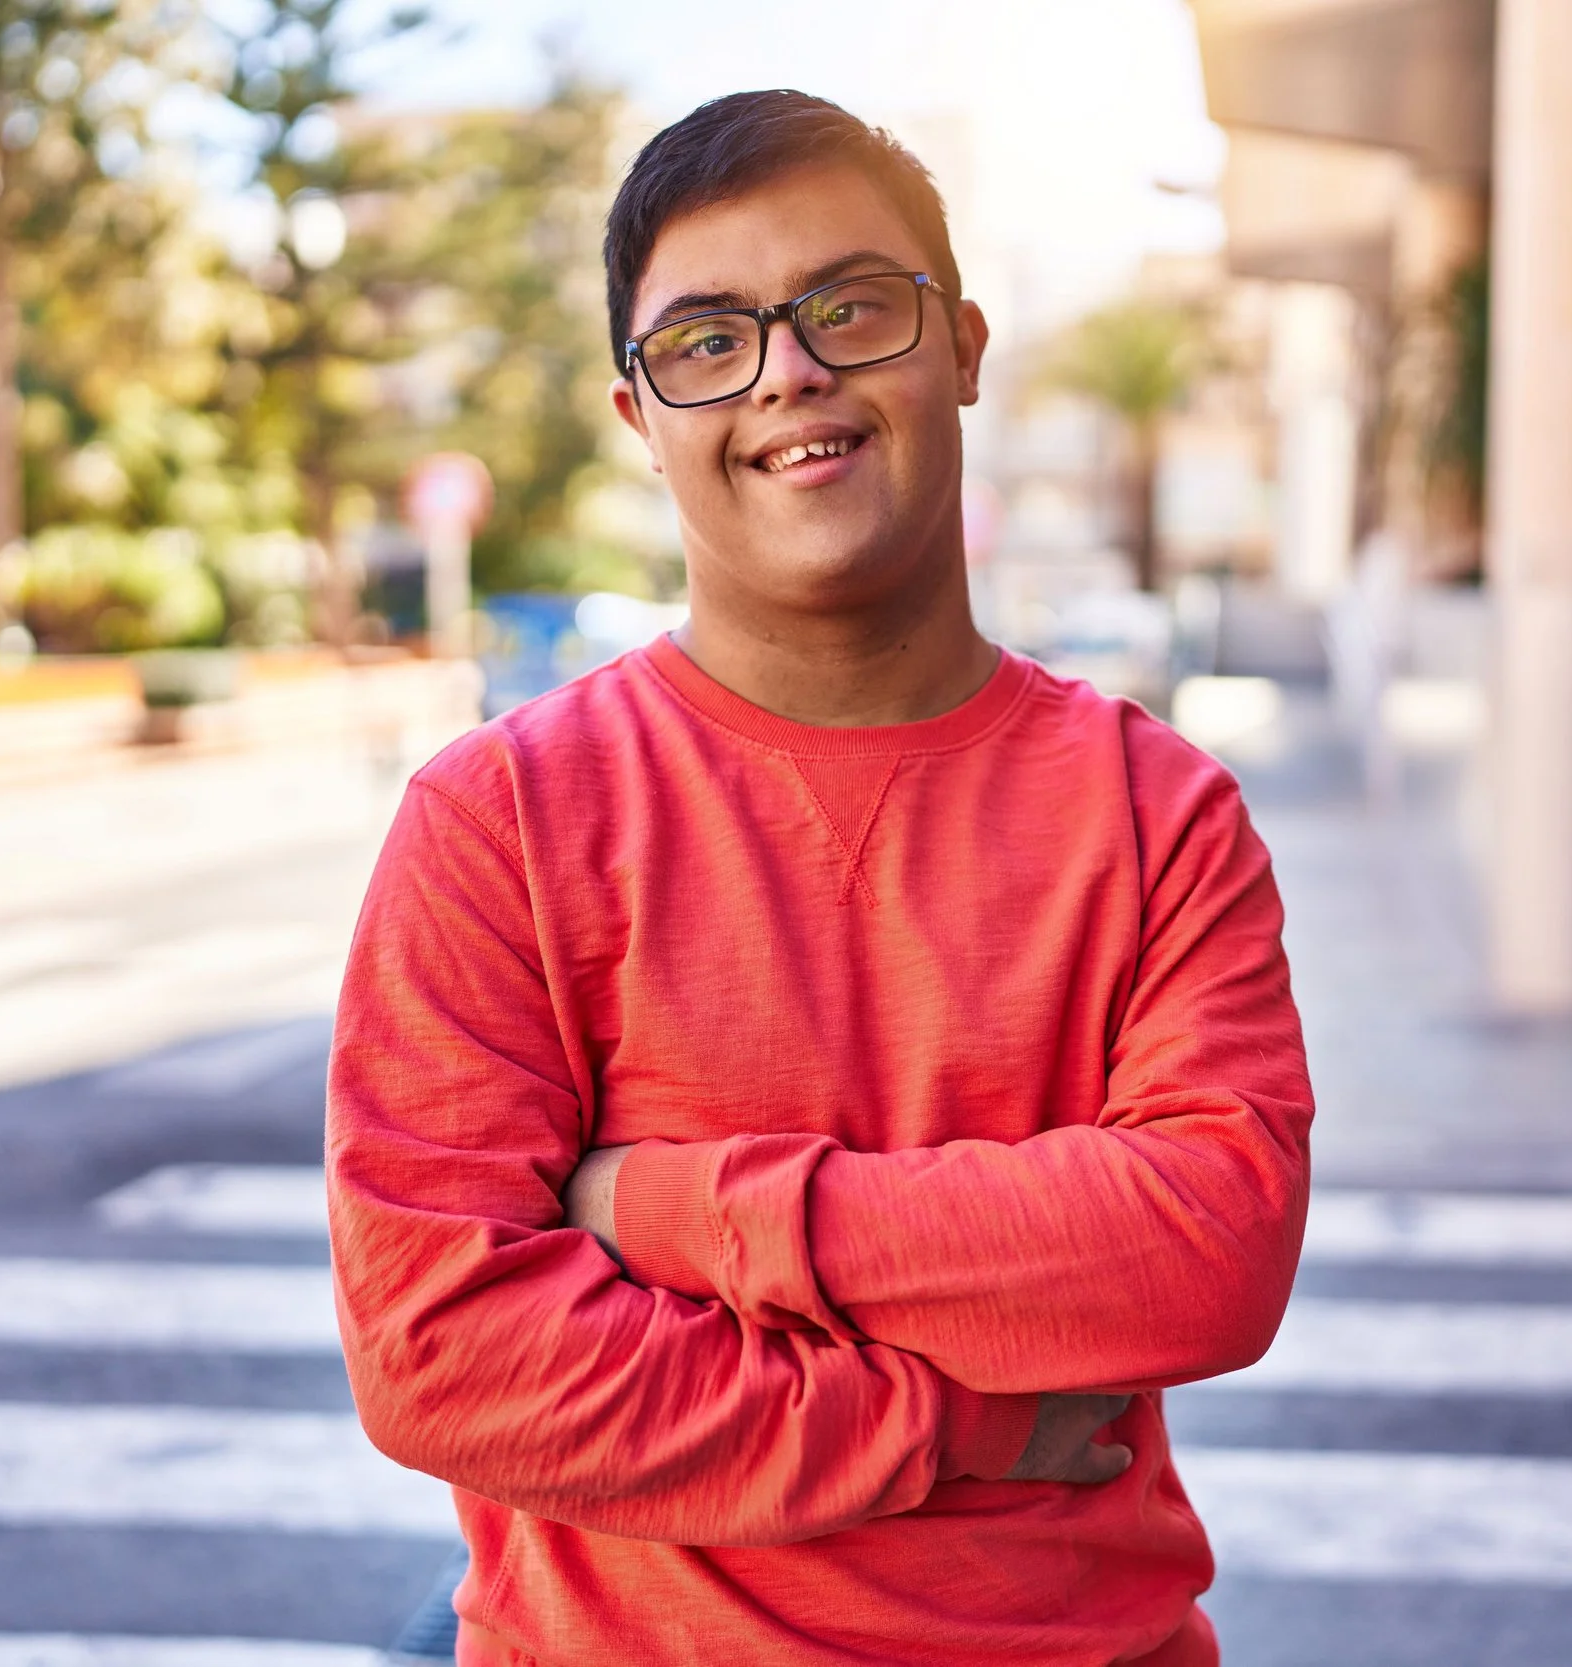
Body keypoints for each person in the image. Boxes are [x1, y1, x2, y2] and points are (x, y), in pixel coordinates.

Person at [327, 89, 1313, 1667]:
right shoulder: (499, 818)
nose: (787, 370)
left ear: (964, 348)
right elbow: (446, 1355)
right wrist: (958, 1421)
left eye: (850, 308)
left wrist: (673, 1205)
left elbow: (1207, 1254)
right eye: (707, 340)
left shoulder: (1158, 812)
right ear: (640, 416)